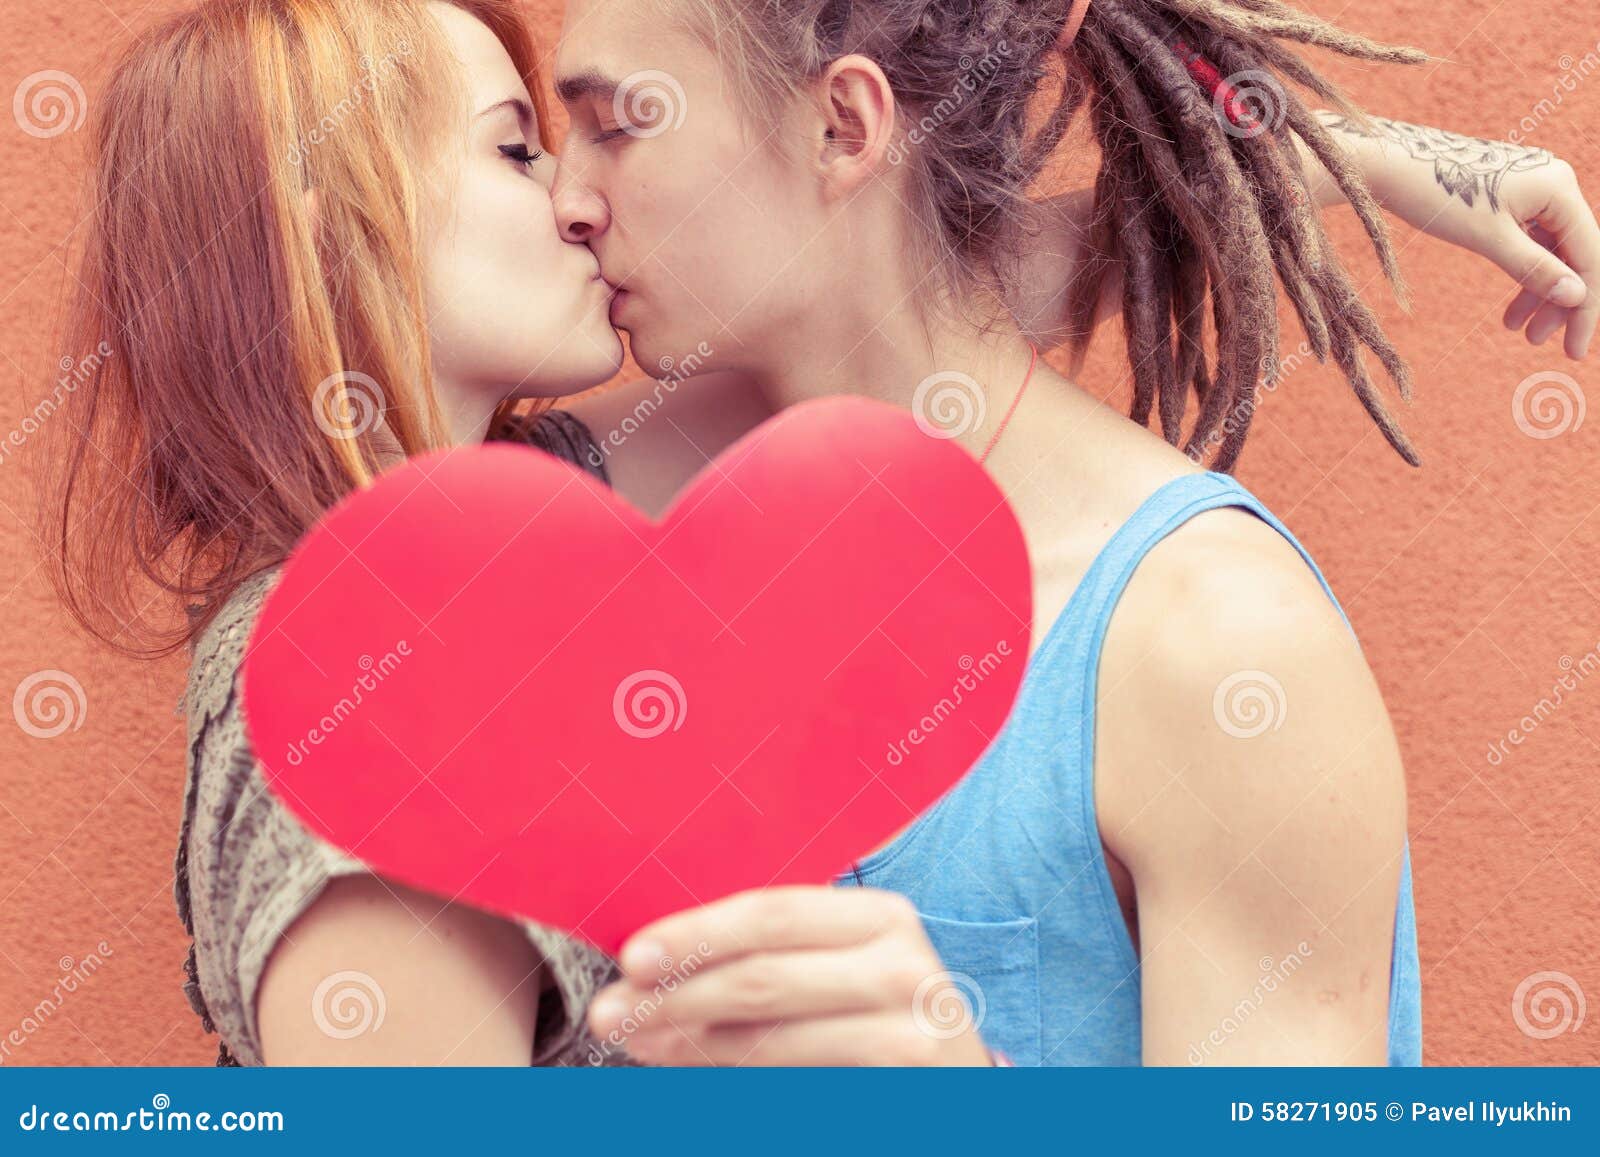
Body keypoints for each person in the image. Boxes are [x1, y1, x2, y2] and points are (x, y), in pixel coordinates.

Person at [38, 0, 1596, 1066]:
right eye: (527, 146)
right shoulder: (482, 601)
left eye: (607, 131)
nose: (576, 199)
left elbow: (981, 285)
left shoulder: (1203, 640)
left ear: (845, 131)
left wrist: (1373, 165)